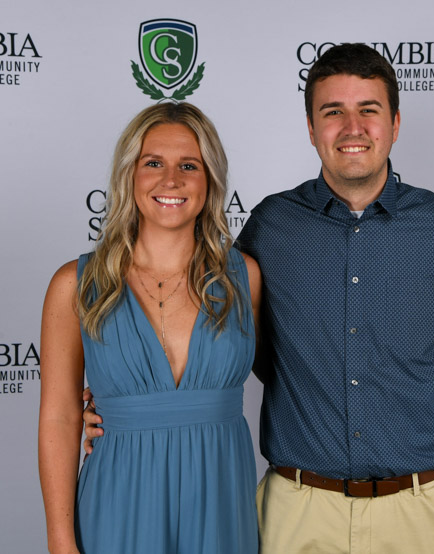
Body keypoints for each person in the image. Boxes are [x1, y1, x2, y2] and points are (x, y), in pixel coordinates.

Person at [83, 46, 434, 553]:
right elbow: (212, 329)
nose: (353, 128)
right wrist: (119, 406)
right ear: (312, 128)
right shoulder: (271, 227)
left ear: (395, 124)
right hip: (296, 510)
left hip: (422, 510)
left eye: (369, 110)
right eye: (333, 112)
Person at [38, 103, 261, 553]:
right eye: (153, 163)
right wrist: (60, 542)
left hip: (221, 501)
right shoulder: (74, 285)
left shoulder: (246, 278)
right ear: (129, 175)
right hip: (117, 500)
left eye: (189, 166)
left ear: (209, 180)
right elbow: (60, 416)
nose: (171, 180)